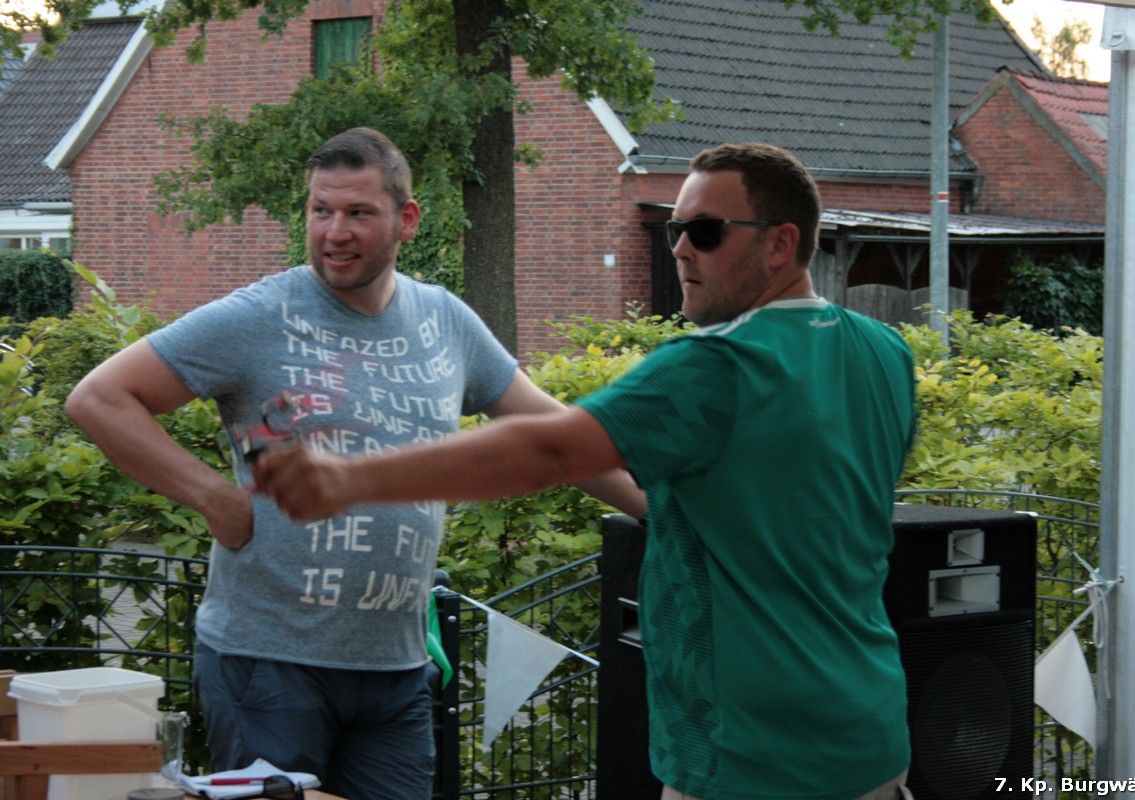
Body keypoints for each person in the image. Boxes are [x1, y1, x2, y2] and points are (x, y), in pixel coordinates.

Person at [253, 142, 918, 800]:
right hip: (872, 739)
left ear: (781, 244)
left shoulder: (718, 367)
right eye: (676, 231)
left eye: (707, 232)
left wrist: (348, 479)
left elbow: (550, 451)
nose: (682, 249)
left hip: (752, 758)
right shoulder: (885, 353)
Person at [65, 127, 645, 800]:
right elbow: (99, 398)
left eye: (358, 213)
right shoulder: (260, 315)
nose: (335, 232)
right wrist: (214, 498)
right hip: (268, 665)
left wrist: (657, 508)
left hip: (395, 668)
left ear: (407, 219)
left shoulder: (445, 321)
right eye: (321, 210)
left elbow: (556, 438)